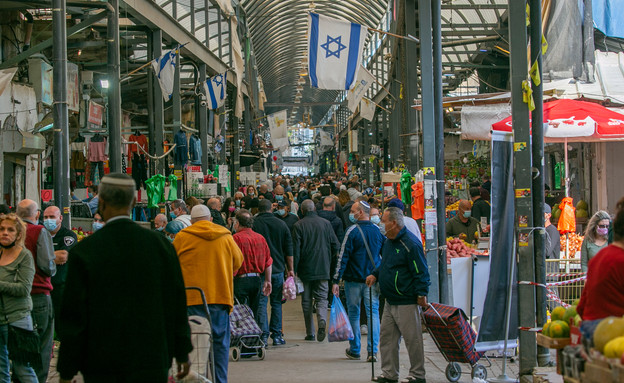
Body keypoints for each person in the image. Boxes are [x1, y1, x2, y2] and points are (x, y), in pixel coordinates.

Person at [57, 173, 192, 383]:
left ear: (100, 202)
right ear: (134, 202)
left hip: (101, 362)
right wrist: (182, 351)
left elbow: (74, 315)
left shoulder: (84, 251)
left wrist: (67, 369)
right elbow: (175, 301)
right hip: (151, 359)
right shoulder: (160, 246)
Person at [174, 204, 243, 383]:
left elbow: (172, 266)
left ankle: (200, 379)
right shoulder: (225, 237)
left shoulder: (183, 237)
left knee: (197, 347)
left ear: (191, 221)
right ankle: (221, 380)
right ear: (210, 219)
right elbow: (238, 262)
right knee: (220, 345)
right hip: (220, 298)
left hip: (192, 300)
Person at [366, 207, 430, 383]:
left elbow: (421, 272)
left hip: (406, 301)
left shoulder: (411, 244)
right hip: (389, 300)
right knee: (387, 339)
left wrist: (421, 293)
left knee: (412, 340)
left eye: (384, 221)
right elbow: (385, 264)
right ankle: (389, 373)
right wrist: (375, 274)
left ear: (394, 223)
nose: (381, 224)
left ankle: (417, 374)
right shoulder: (388, 242)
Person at [332, 201, 384, 362]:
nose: (351, 213)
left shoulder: (352, 231)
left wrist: (336, 279)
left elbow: (343, 257)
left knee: (354, 314)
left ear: (361, 212)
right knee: (373, 313)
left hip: (353, 280)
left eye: (353, 211)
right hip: (372, 281)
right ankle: (372, 351)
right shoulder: (378, 231)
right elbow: (384, 255)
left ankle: (355, 349)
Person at [16, 199, 56, 383]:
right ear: (37, 214)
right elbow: (46, 265)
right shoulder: (39, 232)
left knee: (19, 345)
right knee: (42, 344)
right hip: (38, 293)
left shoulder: (10, 232)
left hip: (14, 297)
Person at [293, 200, 340, 342]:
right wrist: (329, 261)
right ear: (314, 208)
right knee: (322, 298)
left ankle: (310, 332)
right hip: (323, 267)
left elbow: (296, 251)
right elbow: (335, 245)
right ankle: (322, 321)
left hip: (305, 269)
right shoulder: (326, 224)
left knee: (306, 301)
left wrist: (293, 270)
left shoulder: (298, 225)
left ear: (302, 210)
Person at [0, 213, 38, 382]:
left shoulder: (25, 256)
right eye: (1, 229)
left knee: (22, 368)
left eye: (10, 230)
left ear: (18, 234)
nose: (5, 233)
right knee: (1, 371)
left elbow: (24, 288)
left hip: (18, 318)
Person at [253, 199, 294, 345]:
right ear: (272, 208)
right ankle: (276, 335)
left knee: (261, 303)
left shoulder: (254, 224)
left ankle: (263, 336)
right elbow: (289, 249)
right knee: (277, 303)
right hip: (277, 269)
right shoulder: (281, 224)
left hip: (258, 270)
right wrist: (290, 270)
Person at [577, 197, 624, 321]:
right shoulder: (619, 261)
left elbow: (581, 309)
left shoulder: (597, 261)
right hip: (611, 333)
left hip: (591, 330)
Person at [232, 209, 272, 321]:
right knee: (254, 311)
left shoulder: (235, 239)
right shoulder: (260, 238)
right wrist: (268, 281)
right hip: (256, 280)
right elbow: (268, 261)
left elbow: (232, 262)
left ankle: (243, 335)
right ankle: (255, 334)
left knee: (240, 313)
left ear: (238, 223)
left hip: (241, 280)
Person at [42, 206, 77, 334]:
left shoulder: (68, 235)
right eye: (45, 217)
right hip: (42, 285)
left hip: (59, 285)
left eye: (52, 217)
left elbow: (63, 256)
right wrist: (52, 256)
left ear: (60, 218)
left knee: (60, 322)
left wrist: (41, 257)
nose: (48, 220)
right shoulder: (40, 233)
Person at [544, 204, 561, 275]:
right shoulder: (541, 230)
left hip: (550, 273)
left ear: (549, 215)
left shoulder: (552, 231)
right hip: (543, 272)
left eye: (543, 214)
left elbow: (547, 251)